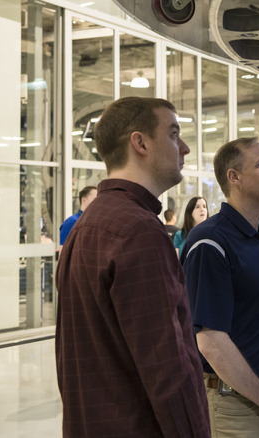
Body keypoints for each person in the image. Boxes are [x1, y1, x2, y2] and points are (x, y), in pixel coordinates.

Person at [55, 96, 211, 437]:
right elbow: (169, 367)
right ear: (139, 143)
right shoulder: (138, 230)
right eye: (173, 133)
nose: (184, 147)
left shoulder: (90, 223)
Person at [181, 137, 259, 437]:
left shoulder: (258, 238)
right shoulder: (211, 241)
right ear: (234, 177)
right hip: (234, 405)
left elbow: (257, 322)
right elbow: (211, 341)